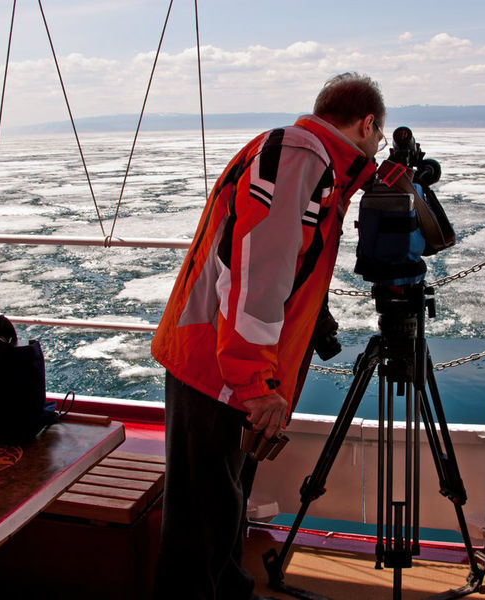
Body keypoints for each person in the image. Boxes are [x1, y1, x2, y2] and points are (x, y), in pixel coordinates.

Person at [150, 72, 387, 599]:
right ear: (367, 123)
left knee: (226, 498)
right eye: (378, 137)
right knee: (201, 514)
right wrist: (255, 381)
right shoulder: (301, 156)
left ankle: (230, 589)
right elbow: (257, 270)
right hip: (216, 365)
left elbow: (288, 269)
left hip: (225, 360)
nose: (376, 148)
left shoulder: (309, 160)